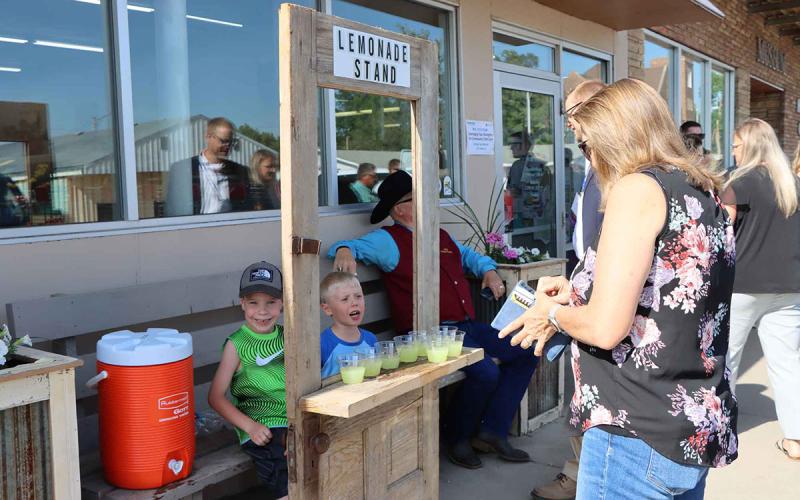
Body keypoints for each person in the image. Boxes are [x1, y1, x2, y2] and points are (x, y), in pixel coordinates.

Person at [499, 79, 738, 499]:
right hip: (690, 422)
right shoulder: (703, 190)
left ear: (614, 138)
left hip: (634, 429)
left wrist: (550, 314)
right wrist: (578, 287)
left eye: (588, 145)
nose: (588, 157)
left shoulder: (638, 188)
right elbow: (669, 295)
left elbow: (606, 328)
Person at [328, 170, 538, 469]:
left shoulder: (440, 235)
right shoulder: (389, 240)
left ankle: (492, 430)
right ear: (401, 208)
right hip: (429, 334)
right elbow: (345, 247)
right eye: (421, 198)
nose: (431, 203)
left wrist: (489, 270)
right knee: (485, 373)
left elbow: (470, 257)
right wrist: (345, 249)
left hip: (466, 327)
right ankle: (457, 437)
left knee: (527, 350)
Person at [533, 79, 605, 500]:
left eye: (571, 114)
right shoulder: (592, 165)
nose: (571, 126)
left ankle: (581, 478)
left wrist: (557, 313)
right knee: (581, 396)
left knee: (588, 398)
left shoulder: (617, 172)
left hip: (599, 303)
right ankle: (579, 474)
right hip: (584, 285)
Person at [722, 118, 800, 461]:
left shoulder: (739, 183)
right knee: (787, 364)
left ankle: (719, 430)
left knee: (726, 359)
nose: (733, 153)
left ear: (750, 147)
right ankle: (796, 438)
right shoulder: (793, 183)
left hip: (743, 286)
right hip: (790, 287)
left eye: (736, 146)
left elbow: (720, 237)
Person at [208, 261, 288, 499]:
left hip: (293, 420)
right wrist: (249, 427)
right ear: (242, 303)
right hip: (262, 426)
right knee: (286, 478)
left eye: (271, 302)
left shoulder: (288, 336)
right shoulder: (237, 344)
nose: (262, 311)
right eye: (254, 303)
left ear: (282, 304)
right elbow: (215, 397)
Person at [166, 117, 251, 216]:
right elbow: (173, 209)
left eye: (231, 142)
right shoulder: (182, 170)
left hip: (230, 228)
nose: (228, 146)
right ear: (208, 137)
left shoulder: (240, 171)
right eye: (223, 141)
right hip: (195, 228)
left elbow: (246, 207)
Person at [319, 271, 378, 377]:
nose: (354, 303)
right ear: (327, 309)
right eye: (345, 299)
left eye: (358, 296)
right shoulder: (322, 345)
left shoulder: (371, 340)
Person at [506, 131, 553, 249]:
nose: (511, 148)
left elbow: (512, 192)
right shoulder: (542, 165)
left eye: (515, 144)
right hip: (540, 221)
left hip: (522, 220)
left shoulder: (518, 166)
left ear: (526, 145)